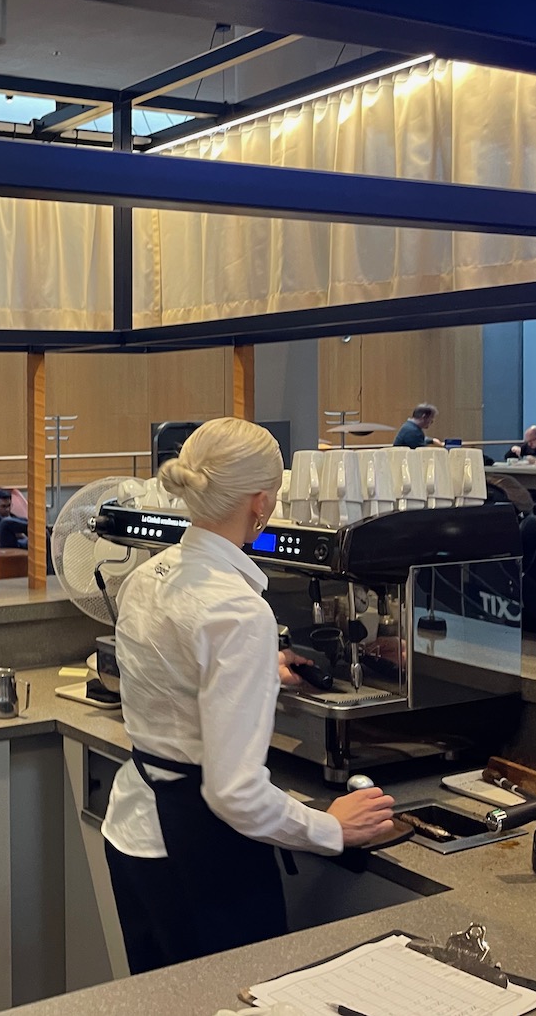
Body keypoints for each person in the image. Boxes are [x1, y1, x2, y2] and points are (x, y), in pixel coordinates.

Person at [102, 417, 395, 974]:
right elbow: (234, 794)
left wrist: (258, 668)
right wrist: (332, 827)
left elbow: (174, 674)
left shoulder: (149, 574)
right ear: (261, 504)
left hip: (134, 832)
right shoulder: (239, 610)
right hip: (199, 852)